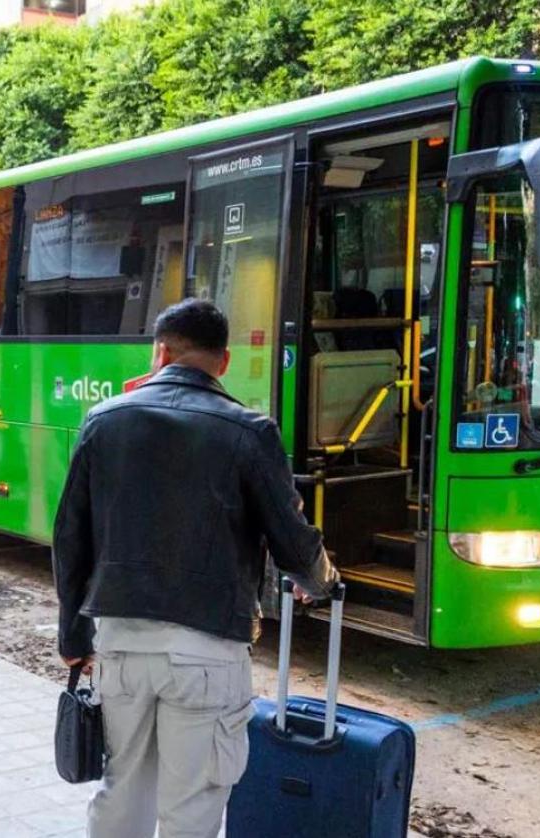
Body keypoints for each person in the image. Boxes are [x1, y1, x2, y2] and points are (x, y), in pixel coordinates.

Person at [53, 299, 338, 838]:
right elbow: (295, 546)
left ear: (159, 352)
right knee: (193, 806)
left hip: (120, 643)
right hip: (207, 652)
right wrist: (320, 581)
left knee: (122, 789)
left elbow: (71, 538)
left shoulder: (103, 420)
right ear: (224, 362)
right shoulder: (250, 432)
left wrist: (73, 635)